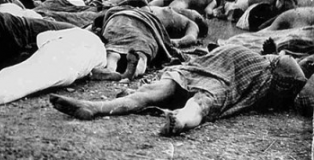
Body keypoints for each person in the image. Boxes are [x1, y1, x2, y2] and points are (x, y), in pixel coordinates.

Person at [49, 44, 313, 136]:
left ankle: (96, 107)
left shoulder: (279, 74)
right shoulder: (282, 72)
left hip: (219, 72)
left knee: (185, 97)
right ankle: (93, 107)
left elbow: (297, 89)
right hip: (217, 70)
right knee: (194, 99)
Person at [0, 26, 105, 108]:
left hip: (69, 49)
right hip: (74, 56)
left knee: (33, 72)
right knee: (37, 73)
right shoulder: (97, 47)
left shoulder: (83, 36)